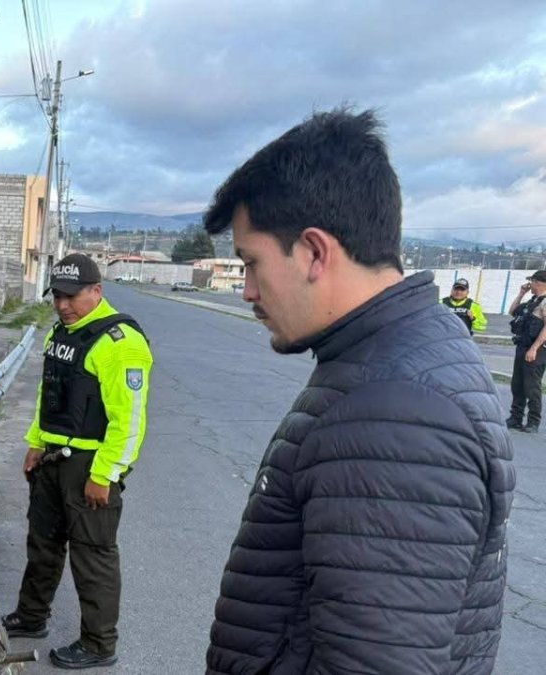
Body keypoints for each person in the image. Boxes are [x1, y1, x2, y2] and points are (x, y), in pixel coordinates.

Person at [201, 109, 514, 674]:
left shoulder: (396, 410)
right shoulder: (399, 358)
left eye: (251, 263)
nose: (246, 290)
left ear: (316, 252)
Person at [1, 253, 153, 670]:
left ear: (96, 292)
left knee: (93, 555)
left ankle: (99, 644)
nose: (63, 304)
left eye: (72, 297)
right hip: (52, 459)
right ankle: (31, 617)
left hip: (90, 463)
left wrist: (104, 473)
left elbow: (129, 422)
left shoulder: (120, 344)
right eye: (57, 296)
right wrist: (35, 442)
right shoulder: (61, 333)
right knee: (43, 543)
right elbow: (49, 395)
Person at [507, 270, 546, 432]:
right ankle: (515, 418)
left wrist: (534, 348)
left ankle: (533, 422)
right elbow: (512, 311)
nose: (530, 284)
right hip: (523, 346)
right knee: (517, 384)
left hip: (536, 349)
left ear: (539, 282)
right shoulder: (533, 300)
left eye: (532, 281)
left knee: (531, 386)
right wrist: (521, 293)